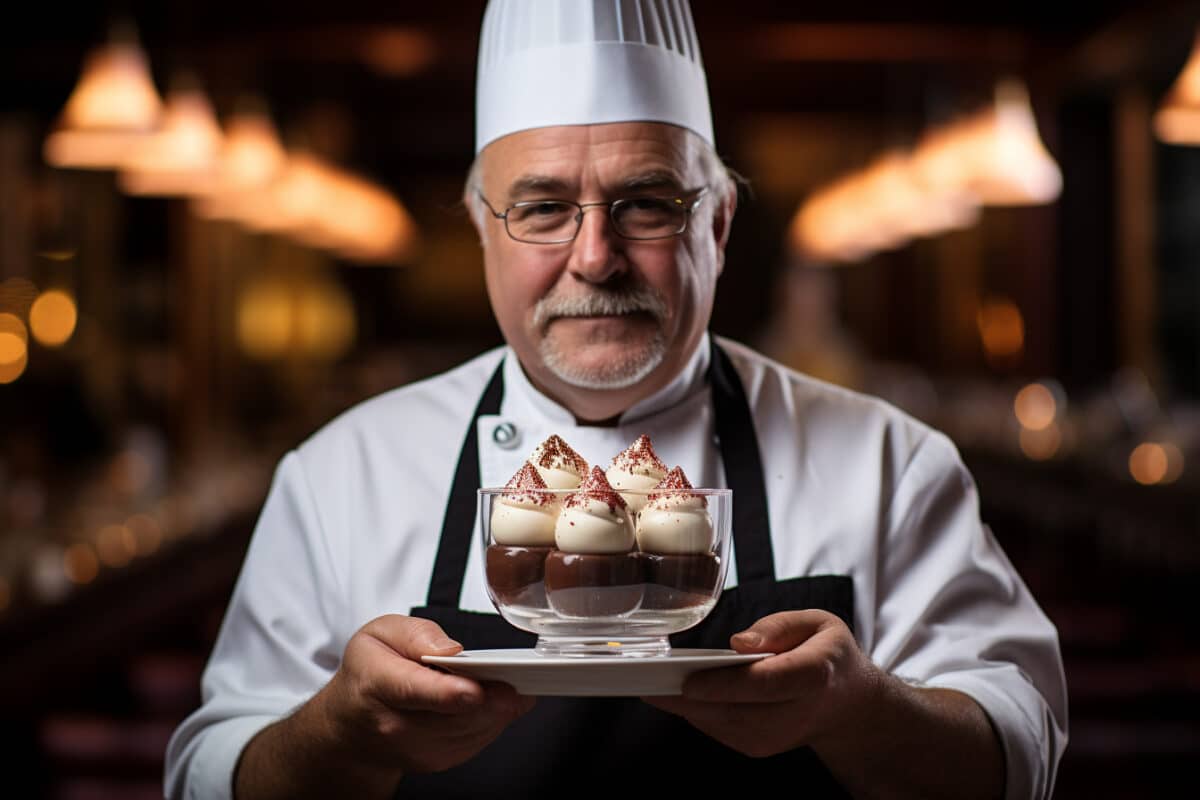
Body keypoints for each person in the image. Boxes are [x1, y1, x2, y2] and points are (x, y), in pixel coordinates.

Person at [165, 1, 1067, 798]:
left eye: (647, 204)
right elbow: (208, 772)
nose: (595, 258)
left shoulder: (889, 464)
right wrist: (337, 736)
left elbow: (1018, 757)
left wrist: (858, 709)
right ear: (483, 229)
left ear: (716, 224)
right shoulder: (341, 475)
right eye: (544, 208)